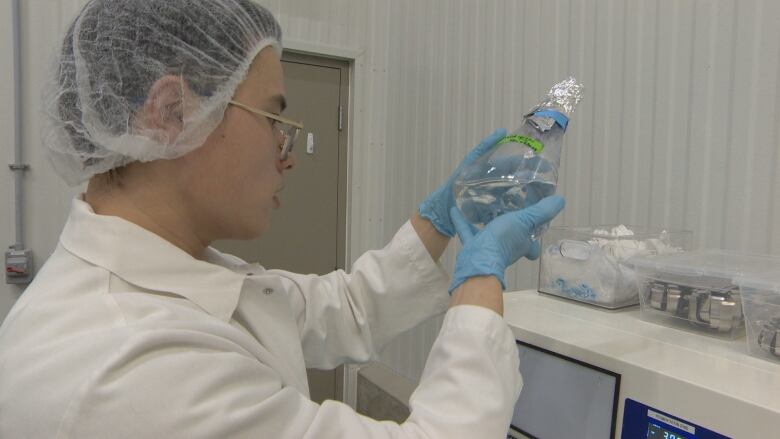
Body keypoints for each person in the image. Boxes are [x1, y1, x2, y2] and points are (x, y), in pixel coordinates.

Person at [0, 1, 565, 438]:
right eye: (272, 117)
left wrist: (441, 219)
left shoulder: (174, 276)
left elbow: (344, 309)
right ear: (172, 111)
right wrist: (482, 279)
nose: (288, 152)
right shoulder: (131, 366)